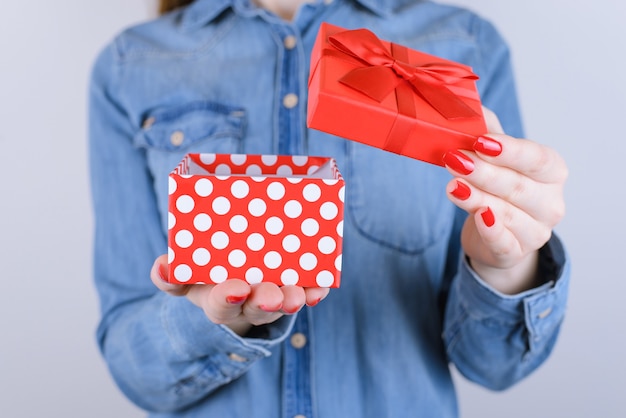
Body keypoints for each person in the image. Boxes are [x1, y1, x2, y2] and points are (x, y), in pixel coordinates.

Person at [88, 0, 570, 416]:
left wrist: (504, 263)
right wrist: (216, 320)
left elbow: (495, 365)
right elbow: (134, 368)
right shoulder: (130, 65)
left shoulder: (466, 45)